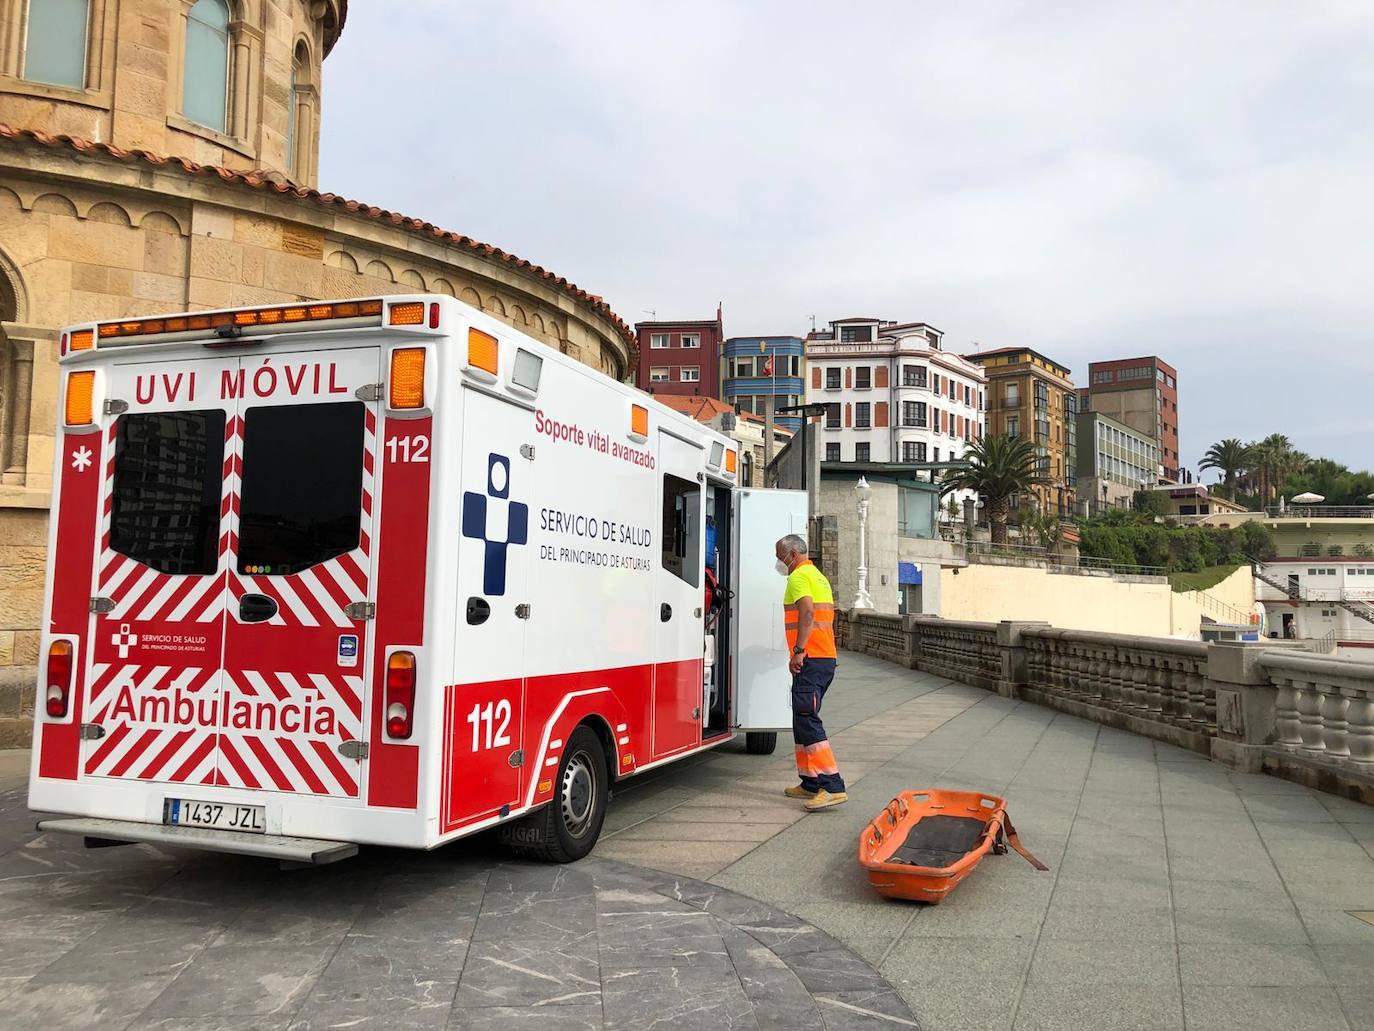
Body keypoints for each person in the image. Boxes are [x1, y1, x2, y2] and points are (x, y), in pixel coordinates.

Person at [775, 534, 846, 811]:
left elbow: (807, 613)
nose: (779, 562)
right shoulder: (818, 576)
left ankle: (832, 785)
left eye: (780, 556)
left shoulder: (798, 577)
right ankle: (810, 781)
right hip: (824, 657)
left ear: (792, 554)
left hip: (811, 658)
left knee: (807, 718)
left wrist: (799, 650)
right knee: (801, 718)